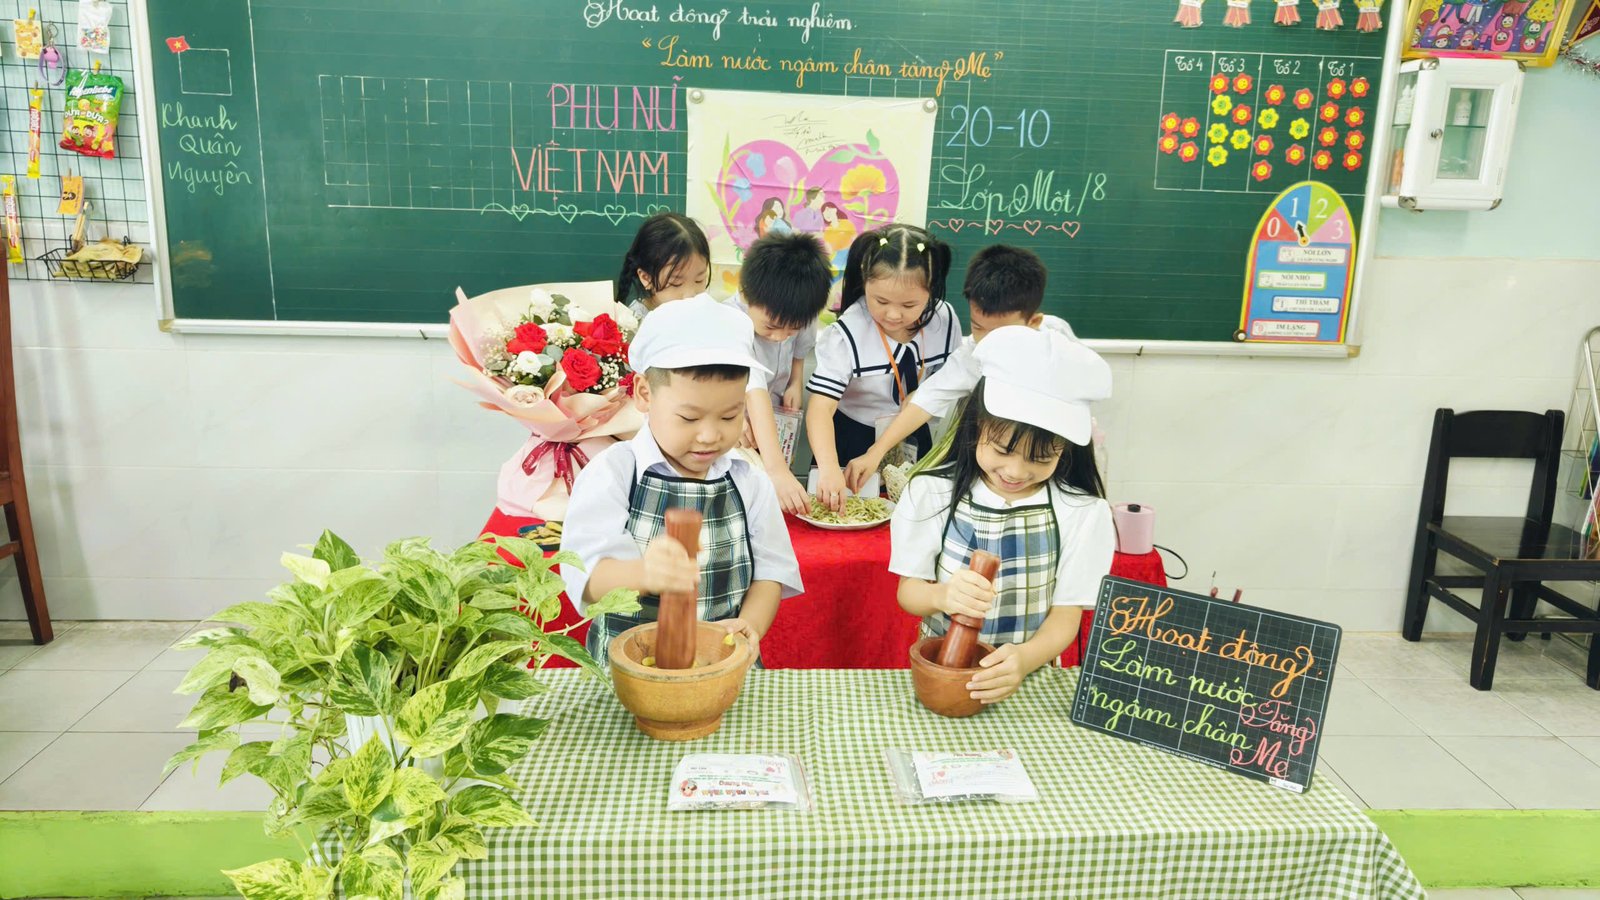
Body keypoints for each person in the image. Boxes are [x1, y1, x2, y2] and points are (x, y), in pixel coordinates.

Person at [560, 295, 803, 664]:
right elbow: (586, 578)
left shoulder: (748, 481)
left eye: (730, 416)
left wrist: (750, 624)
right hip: (626, 673)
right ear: (644, 393)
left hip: (721, 666)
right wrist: (643, 573)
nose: (709, 435)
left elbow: (771, 573)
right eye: (689, 418)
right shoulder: (615, 473)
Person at [889, 326, 1114, 704]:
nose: (1015, 471)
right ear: (977, 426)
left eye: (1040, 458)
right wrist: (944, 595)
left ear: (1064, 449)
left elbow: (1067, 615)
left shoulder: (1082, 512)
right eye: (1002, 450)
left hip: (1029, 682)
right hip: (944, 673)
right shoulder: (932, 492)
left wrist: (1023, 660)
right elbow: (909, 593)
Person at [843, 244, 1079, 492]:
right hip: (996, 461)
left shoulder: (1058, 341)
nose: (987, 341)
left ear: (1034, 322)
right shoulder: (972, 356)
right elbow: (927, 399)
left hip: (1046, 457)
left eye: (1000, 332)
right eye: (978, 327)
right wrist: (876, 452)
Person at [805, 224, 960, 513]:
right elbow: (821, 407)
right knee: (850, 515)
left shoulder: (945, 320)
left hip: (913, 433)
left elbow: (944, 382)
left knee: (910, 514)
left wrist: (922, 396)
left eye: (910, 304)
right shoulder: (849, 331)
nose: (893, 314)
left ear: (932, 290)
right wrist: (828, 466)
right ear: (864, 282)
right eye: (881, 301)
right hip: (852, 438)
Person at [729, 232, 834, 516]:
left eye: (791, 329)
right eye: (771, 327)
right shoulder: (731, 320)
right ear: (746, 294)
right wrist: (776, 470)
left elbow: (800, 349)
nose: (779, 337)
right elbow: (754, 390)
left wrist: (795, 382)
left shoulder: (803, 312)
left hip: (774, 417)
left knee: (773, 496)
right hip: (739, 420)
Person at [614, 212, 711, 322]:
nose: (691, 296)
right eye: (676, 284)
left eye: (699, 280)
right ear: (646, 278)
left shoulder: (699, 311)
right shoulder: (636, 323)